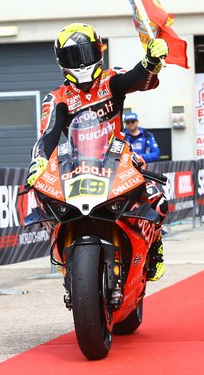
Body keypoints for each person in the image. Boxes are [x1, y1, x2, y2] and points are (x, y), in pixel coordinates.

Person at [26, 23, 169, 281]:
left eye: (86, 53)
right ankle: (62, 247)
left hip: (118, 156)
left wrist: (150, 62)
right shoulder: (57, 97)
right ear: (61, 62)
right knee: (43, 197)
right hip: (76, 163)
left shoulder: (111, 79)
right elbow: (47, 134)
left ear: (99, 52)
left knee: (157, 197)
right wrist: (39, 162)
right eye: (73, 56)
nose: (81, 62)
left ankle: (155, 247)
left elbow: (137, 79)